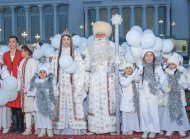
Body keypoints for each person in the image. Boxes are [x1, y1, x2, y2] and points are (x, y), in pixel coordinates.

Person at [53, 30, 87, 135]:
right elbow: (53, 69)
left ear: (70, 40)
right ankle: (62, 128)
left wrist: (78, 83)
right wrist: (55, 84)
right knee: (62, 105)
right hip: (61, 84)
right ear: (61, 41)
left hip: (73, 84)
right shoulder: (57, 53)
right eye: (64, 39)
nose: (66, 41)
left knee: (74, 104)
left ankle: (75, 129)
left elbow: (81, 68)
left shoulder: (75, 52)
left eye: (68, 39)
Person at [86, 21, 118, 134]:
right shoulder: (90, 49)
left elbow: (120, 64)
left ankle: (111, 128)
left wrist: (118, 61)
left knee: (109, 104)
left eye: (102, 34)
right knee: (94, 104)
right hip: (94, 82)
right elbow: (85, 66)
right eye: (97, 34)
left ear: (106, 36)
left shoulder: (113, 48)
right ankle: (93, 128)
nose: (99, 37)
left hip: (108, 82)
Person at [138, 49, 168, 138]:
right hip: (143, 92)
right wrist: (138, 75)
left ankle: (153, 130)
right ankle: (146, 129)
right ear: (144, 57)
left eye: (151, 55)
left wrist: (157, 86)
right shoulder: (141, 66)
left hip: (153, 92)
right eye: (147, 55)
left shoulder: (157, 66)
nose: (149, 57)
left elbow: (163, 76)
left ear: (154, 57)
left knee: (153, 111)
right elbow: (136, 78)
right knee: (144, 111)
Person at [160, 55, 190, 137]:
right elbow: (162, 85)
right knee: (169, 114)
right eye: (169, 64)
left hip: (179, 98)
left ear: (176, 64)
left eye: (173, 64)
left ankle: (181, 129)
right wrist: (167, 90)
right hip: (170, 97)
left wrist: (184, 85)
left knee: (179, 113)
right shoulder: (165, 74)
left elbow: (185, 84)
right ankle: (170, 129)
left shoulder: (180, 73)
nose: (171, 66)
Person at [27, 63, 56, 137]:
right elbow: (33, 92)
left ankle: (49, 130)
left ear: (47, 73)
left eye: (44, 72)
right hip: (38, 102)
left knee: (47, 117)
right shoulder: (36, 82)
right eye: (40, 72)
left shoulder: (50, 81)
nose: (42, 74)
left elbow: (53, 91)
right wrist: (27, 92)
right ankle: (42, 130)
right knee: (40, 117)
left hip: (47, 102)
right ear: (38, 73)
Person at [3, 36, 23, 133]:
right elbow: (5, 68)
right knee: (12, 104)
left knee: (19, 105)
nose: (11, 44)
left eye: (13, 42)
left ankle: (20, 126)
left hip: (18, 81)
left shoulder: (20, 54)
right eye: (10, 42)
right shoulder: (5, 55)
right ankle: (14, 125)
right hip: (9, 83)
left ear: (17, 43)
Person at [17, 45, 38, 135]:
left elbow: (34, 75)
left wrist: (29, 87)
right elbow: (19, 76)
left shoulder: (33, 62)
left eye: (22, 51)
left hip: (31, 89)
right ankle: (28, 129)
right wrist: (19, 87)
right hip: (24, 89)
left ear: (27, 51)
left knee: (34, 110)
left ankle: (37, 128)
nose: (21, 53)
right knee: (26, 109)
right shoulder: (22, 62)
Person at [119, 63, 140, 135]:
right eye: (127, 68)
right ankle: (125, 129)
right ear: (124, 70)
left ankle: (131, 128)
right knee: (125, 115)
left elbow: (138, 81)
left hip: (133, 100)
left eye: (130, 68)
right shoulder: (123, 78)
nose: (128, 69)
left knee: (132, 115)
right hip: (126, 99)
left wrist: (135, 73)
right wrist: (132, 76)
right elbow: (125, 84)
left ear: (133, 70)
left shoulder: (135, 78)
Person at [0, 56, 11, 134]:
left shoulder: (5, 70)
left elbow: (7, 80)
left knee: (4, 110)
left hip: (3, 93)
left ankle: (5, 126)